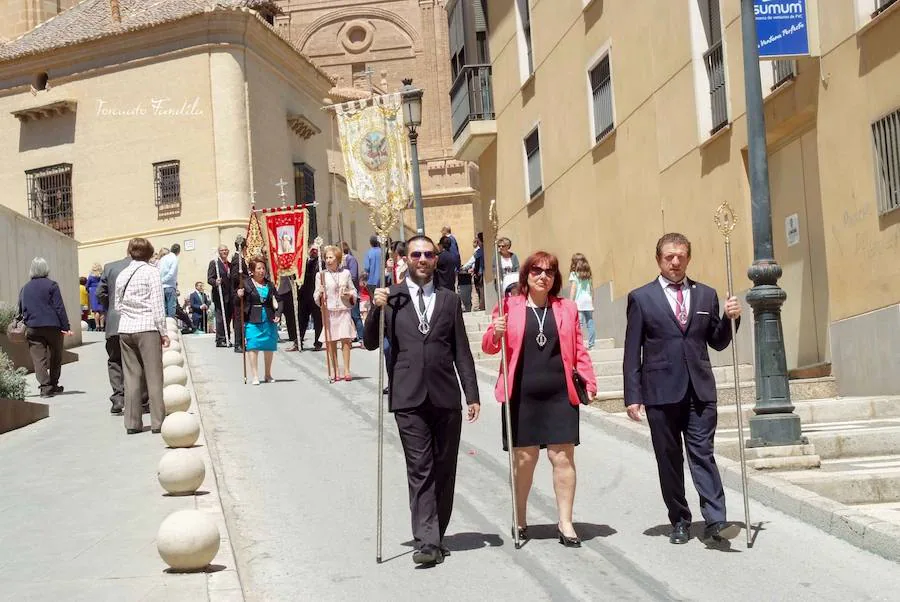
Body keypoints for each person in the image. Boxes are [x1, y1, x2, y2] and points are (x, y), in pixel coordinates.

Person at [363, 235, 480, 567]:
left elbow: (461, 350)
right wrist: (376, 307)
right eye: (417, 254)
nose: (423, 259)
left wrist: (471, 393)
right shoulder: (393, 296)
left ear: (435, 259)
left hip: (445, 396)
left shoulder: (448, 299)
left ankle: (435, 532)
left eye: (429, 254)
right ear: (407, 259)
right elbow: (371, 342)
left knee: (445, 468)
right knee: (420, 468)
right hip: (408, 395)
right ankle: (427, 540)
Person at [623, 232, 742, 545]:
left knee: (703, 453)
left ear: (688, 258)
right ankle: (679, 519)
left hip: (699, 391)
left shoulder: (706, 295)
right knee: (669, 458)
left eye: (680, 256)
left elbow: (716, 341)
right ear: (659, 260)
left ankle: (716, 520)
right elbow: (631, 349)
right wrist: (633, 395)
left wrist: (730, 319)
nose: (675, 262)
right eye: (669, 257)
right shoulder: (641, 298)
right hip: (660, 391)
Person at [482, 251, 597, 547]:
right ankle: (520, 517)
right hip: (522, 394)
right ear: (526, 275)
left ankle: (566, 522)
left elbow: (579, 348)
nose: (542, 275)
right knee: (525, 459)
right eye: (536, 270)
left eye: (549, 271)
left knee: (562, 457)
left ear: (555, 277)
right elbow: (490, 348)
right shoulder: (509, 306)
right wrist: (495, 333)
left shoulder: (567, 308)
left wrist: (589, 380)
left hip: (560, 393)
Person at [115, 238, 169, 435]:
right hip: (147, 327)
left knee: (131, 377)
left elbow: (117, 305)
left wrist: (131, 313)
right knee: (154, 376)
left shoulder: (122, 274)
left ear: (130, 252)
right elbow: (157, 305)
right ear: (148, 253)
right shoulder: (151, 272)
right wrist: (163, 332)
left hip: (126, 328)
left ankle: (132, 422)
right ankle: (158, 421)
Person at [19, 257, 73, 398]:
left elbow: (20, 308)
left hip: (33, 327)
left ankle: (45, 387)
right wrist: (65, 326)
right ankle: (54, 384)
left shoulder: (25, 288)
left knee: (39, 359)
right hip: (52, 326)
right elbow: (59, 307)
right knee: (56, 355)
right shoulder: (52, 285)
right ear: (46, 269)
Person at [97, 252, 135, 415]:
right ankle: (142, 399)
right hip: (136, 322)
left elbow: (100, 293)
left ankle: (118, 398)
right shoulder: (145, 268)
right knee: (138, 361)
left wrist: (111, 307)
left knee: (115, 360)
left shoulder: (109, 267)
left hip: (114, 323)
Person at [314, 245, 357, 382]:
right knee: (331, 341)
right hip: (329, 311)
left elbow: (354, 291)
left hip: (343, 310)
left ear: (338, 259)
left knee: (345, 340)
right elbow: (315, 296)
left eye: (331, 257)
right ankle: (334, 370)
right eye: (326, 257)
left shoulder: (346, 273)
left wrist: (349, 293)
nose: (328, 260)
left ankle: (347, 370)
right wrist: (319, 293)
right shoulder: (321, 275)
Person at [240, 257, 282, 385]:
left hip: (268, 317)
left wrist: (278, 313)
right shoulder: (245, 284)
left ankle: (268, 374)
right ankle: (255, 375)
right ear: (252, 271)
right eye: (259, 268)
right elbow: (237, 303)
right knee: (253, 346)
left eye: (263, 268)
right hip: (252, 318)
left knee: (269, 346)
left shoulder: (269, 284)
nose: (261, 271)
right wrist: (239, 295)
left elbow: (279, 300)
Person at [297, 246, 323, 351]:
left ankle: (318, 342)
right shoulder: (303, 262)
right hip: (304, 295)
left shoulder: (321, 263)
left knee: (317, 320)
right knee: (302, 319)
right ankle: (298, 341)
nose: (313, 252)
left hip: (315, 295)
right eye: (312, 250)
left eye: (315, 250)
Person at [207, 245, 234, 348]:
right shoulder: (214, 263)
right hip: (219, 295)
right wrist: (215, 281)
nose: (224, 252)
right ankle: (220, 339)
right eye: (222, 250)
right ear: (219, 252)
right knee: (220, 318)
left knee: (227, 318)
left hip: (229, 295)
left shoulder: (230, 265)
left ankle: (226, 338)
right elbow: (209, 279)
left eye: (226, 250)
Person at [568, 253, 596, 350]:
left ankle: (579, 344)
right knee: (590, 323)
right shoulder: (588, 274)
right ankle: (591, 344)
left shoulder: (574, 274)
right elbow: (592, 289)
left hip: (579, 302)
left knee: (579, 324)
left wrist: (570, 302)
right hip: (588, 301)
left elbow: (573, 289)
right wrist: (592, 302)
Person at [341, 242, 365, 344]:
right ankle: (353, 335)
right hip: (343, 292)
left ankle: (362, 338)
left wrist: (345, 270)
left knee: (355, 315)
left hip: (351, 291)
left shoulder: (350, 259)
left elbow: (354, 275)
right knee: (347, 316)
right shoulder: (341, 261)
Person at [230, 237, 250, 354]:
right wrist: (249, 279)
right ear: (244, 247)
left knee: (241, 319)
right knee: (238, 319)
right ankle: (238, 344)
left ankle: (242, 343)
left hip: (241, 291)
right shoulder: (237, 260)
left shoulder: (240, 258)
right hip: (238, 292)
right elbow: (235, 276)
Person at [276, 274, 299, 351]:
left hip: (287, 290)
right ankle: (274, 334)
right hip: (275, 289)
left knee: (290, 315)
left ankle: (293, 336)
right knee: (275, 314)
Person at [157, 243, 181, 318]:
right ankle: (170, 326)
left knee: (164, 308)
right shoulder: (174, 259)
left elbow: (158, 270)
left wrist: (160, 281)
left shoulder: (163, 258)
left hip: (161, 287)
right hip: (169, 286)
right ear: (179, 252)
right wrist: (163, 280)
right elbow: (171, 273)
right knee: (171, 308)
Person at [86, 263, 105, 331]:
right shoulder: (102, 276)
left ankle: (97, 326)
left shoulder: (91, 277)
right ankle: (102, 325)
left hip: (93, 292)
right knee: (102, 310)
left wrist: (89, 290)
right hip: (101, 291)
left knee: (96, 310)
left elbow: (87, 285)